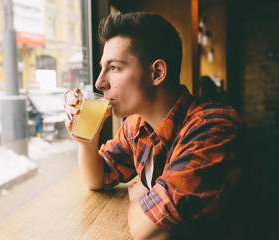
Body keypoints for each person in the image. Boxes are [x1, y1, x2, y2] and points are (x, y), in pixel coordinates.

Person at [65, 12, 261, 240]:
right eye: (102, 68)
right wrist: (86, 138)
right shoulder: (136, 124)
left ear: (157, 72)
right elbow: (98, 179)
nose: (100, 82)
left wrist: (143, 193)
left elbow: (147, 229)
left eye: (115, 68)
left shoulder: (214, 126)